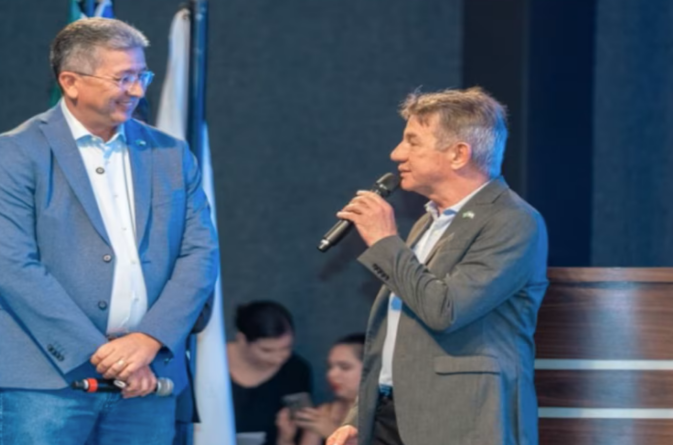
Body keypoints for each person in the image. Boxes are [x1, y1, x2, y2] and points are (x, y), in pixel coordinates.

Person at [0, 17, 219, 444]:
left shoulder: (171, 154)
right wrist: (107, 355)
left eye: (142, 76)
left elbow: (199, 255)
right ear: (70, 82)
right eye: (123, 78)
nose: (137, 90)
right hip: (47, 385)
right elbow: (10, 265)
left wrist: (148, 340)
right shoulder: (15, 152)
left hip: (148, 379)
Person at [326, 87, 549, 445]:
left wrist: (385, 241)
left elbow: (445, 311)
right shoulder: (427, 223)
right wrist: (360, 416)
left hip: (460, 420)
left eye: (412, 142)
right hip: (391, 416)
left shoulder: (512, 220)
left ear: (459, 154)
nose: (397, 153)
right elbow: (397, 332)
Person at [228, 301, 313, 445]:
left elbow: (301, 430)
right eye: (267, 350)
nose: (278, 357)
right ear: (242, 339)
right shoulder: (211, 363)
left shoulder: (295, 370)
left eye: (286, 348)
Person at [277, 334, 366, 445]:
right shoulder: (325, 413)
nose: (331, 374)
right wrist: (286, 439)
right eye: (330, 367)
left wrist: (332, 432)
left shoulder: (383, 416)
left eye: (344, 367)